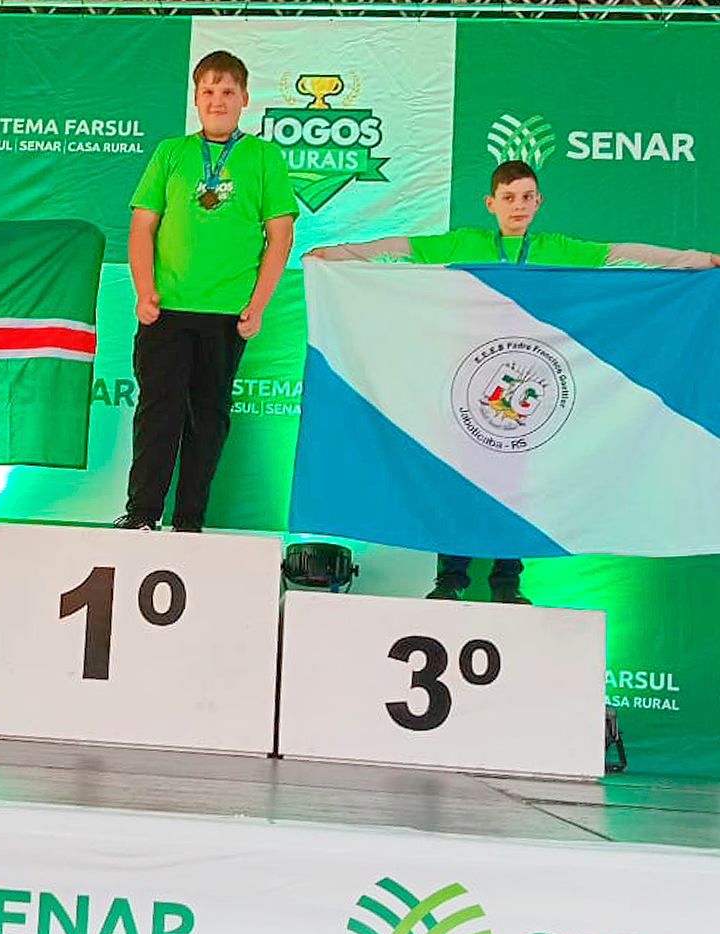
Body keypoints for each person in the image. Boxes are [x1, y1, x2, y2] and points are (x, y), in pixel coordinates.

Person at [308, 159, 720, 602]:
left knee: (519, 488)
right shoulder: (464, 243)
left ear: (538, 201)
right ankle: (451, 578)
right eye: (508, 198)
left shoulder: (556, 249)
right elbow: (400, 248)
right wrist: (335, 255)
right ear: (491, 203)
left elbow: (621, 253)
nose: (518, 206)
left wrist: (699, 261)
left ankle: (506, 581)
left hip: (532, 390)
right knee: (458, 481)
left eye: (526, 197)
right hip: (467, 386)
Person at [115, 50, 298, 532]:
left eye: (228, 91)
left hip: (226, 314)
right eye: (208, 91)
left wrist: (258, 305)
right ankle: (142, 514)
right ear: (195, 98)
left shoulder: (264, 157)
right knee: (158, 414)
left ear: (245, 98)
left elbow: (280, 235)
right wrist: (144, 291)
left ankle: (189, 521)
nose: (218, 100)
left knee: (209, 419)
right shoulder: (170, 152)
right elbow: (142, 225)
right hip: (167, 310)